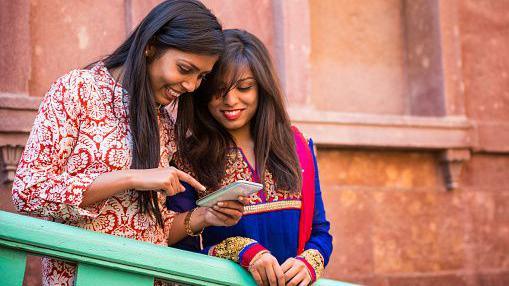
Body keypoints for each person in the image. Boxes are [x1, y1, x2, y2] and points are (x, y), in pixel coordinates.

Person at [11, 1, 244, 285]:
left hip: (147, 276)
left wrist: (203, 216)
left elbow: (149, 231)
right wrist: (131, 177)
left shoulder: (162, 122)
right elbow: (28, 191)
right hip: (84, 276)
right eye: (185, 69)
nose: (192, 86)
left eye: (201, 76)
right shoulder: (77, 91)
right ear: (151, 46)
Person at [168, 29, 333, 286]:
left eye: (244, 87)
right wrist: (241, 251)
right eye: (218, 90)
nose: (230, 101)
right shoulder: (188, 157)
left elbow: (320, 232)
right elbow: (177, 250)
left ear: (262, 87)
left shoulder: (297, 147)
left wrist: (309, 263)